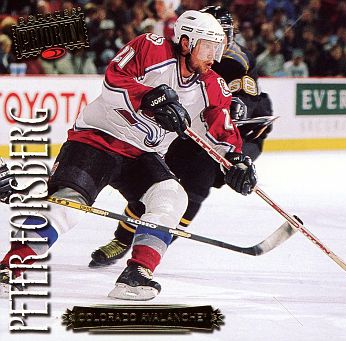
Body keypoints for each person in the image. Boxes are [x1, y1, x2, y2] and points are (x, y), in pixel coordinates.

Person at [0, 10, 257, 301]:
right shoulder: (151, 47)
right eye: (208, 48)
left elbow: (220, 129)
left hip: (142, 154)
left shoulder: (211, 85)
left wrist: (235, 160)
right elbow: (113, 80)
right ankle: (10, 266)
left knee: (172, 196)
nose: (214, 57)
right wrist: (148, 96)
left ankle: (136, 274)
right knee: (68, 204)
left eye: (218, 49)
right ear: (186, 43)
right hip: (97, 139)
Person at [89, 5, 274, 268]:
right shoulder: (178, 52)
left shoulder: (238, 61)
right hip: (183, 130)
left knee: (196, 189)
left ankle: (156, 242)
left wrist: (241, 106)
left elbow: (253, 97)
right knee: (157, 189)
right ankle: (122, 239)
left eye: (222, 36)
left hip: (221, 137)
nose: (217, 45)